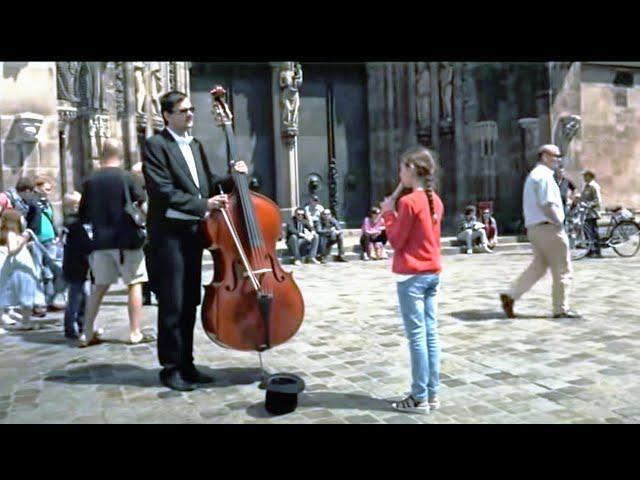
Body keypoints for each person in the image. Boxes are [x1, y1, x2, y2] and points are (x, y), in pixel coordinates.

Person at [142, 91, 248, 392]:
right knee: (172, 303)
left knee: (189, 300)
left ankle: (187, 363)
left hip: (193, 235)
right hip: (168, 237)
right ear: (167, 115)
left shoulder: (196, 145)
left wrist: (233, 176)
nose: (190, 114)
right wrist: (204, 205)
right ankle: (171, 367)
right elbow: (162, 191)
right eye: (183, 110)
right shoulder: (156, 146)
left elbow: (209, 183)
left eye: (191, 110)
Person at [380, 146, 444, 415]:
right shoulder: (435, 200)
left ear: (412, 170)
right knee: (430, 336)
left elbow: (396, 240)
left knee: (417, 337)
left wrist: (387, 213)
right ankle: (432, 393)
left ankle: (419, 397)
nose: (399, 174)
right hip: (431, 273)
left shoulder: (408, 203)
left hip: (412, 276)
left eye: (401, 168)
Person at [78, 138, 149, 347]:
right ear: (122, 154)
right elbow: (143, 205)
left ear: (102, 153)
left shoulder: (90, 181)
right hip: (127, 240)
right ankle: (134, 331)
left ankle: (87, 332)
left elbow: (83, 214)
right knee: (134, 283)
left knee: (98, 287)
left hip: (101, 241)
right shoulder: (128, 178)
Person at [500, 144, 580, 319]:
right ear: (544, 156)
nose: (559, 159)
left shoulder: (534, 176)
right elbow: (547, 203)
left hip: (535, 228)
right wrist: (558, 222)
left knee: (539, 266)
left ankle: (511, 294)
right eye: (556, 156)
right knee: (563, 269)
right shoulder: (544, 177)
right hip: (549, 227)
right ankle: (561, 308)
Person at [0, 209, 41, 330]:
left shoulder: (16, 234)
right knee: (18, 293)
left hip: (22, 265)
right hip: (17, 267)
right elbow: (12, 250)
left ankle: (26, 321)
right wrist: (23, 241)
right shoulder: (11, 234)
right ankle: (23, 321)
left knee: (26, 293)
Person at [61, 191, 90, 340]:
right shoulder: (74, 224)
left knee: (81, 296)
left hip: (74, 265)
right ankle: (71, 327)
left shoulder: (69, 223)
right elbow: (83, 243)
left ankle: (80, 324)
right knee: (75, 297)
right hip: (76, 266)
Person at [581, 169, 603, 258]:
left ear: (590, 176)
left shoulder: (594, 186)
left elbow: (598, 200)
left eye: (585, 176)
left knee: (593, 232)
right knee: (587, 232)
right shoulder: (587, 186)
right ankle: (589, 249)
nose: (584, 178)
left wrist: (590, 205)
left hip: (593, 213)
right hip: (586, 213)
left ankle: (597, 251)